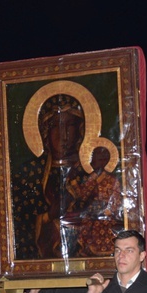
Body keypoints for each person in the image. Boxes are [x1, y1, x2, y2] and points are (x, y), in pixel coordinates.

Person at [12, 93, 89, 259]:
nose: (63, 134)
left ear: (80, 129)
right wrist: (48, 216)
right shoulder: (30, 173)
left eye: (70, 125)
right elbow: (20, 224)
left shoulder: (87, 171)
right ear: (45, 131)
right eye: (55, 125)